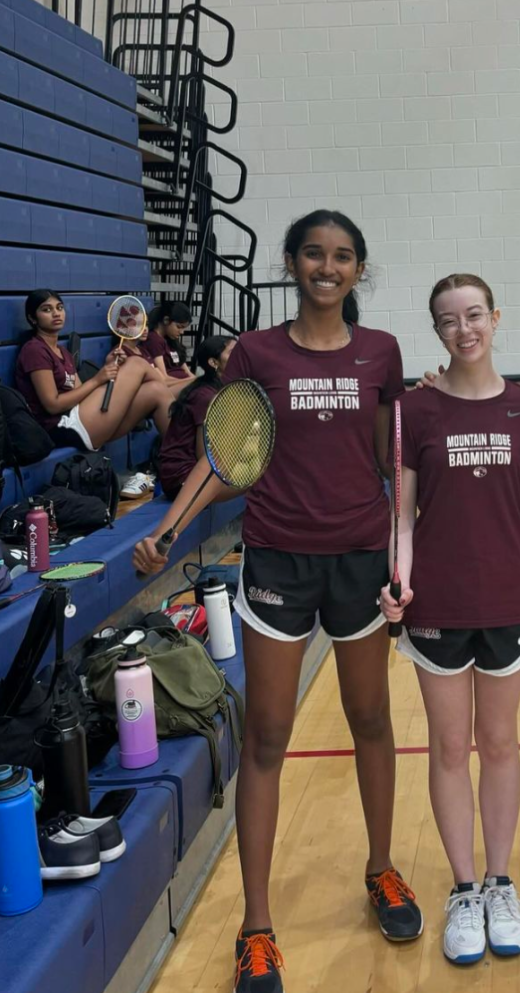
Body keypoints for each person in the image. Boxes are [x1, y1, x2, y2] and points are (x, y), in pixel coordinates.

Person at [132, 211, 423, 993]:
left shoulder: (380, 353)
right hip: (277, 562)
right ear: (292, 263)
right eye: (313, 255)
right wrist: (168, 527)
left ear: (357, 269)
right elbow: (228, 456)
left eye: (342, 257)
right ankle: (255, 926)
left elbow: (391, 462)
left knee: (371, 720)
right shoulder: (255, 353)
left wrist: (403, 556)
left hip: (358, 561)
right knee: (266, 733)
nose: (327, 268)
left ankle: (381, 869)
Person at [380, 274, 520, 966]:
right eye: (448, 320)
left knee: (501, 743)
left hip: (509, 598)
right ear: (436, 329)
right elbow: (402, 514)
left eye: (474, 314)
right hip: (439, 605)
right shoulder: (413, 411)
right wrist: (398, 579)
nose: (464, 329)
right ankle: (462, 890)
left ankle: (499, 881)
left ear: (495, 318)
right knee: (449, 748)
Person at [15, 289, 173, 452]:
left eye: (60, 308)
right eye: (47, 309)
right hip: (63, 427)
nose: (56, 313)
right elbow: (53, 405)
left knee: (156, 391)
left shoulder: (64, 352)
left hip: (81, 416)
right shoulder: (34, 350)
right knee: (136, 364)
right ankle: (174, 391)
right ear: (32, 319)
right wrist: (98, 379)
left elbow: (79, 392)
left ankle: (178, 467)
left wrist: (109, 366)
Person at [156, 336, 236, 501]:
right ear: (214, 363)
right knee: (261, 480)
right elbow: (204, 456)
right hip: (182, 480)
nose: (240, 357)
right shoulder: (205, 397)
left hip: (197, 473)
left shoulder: (221, 391)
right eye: (233, 353)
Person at [142, 301, 194, 386]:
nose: (182, 332)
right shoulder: (154, 340)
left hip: (184, 383)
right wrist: (191, 382)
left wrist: (197, 381)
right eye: (179, 327)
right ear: (166, 320)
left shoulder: (172, 340)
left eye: (184, 328)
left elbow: (188, 373)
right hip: (174, 386)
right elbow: (164, 378)